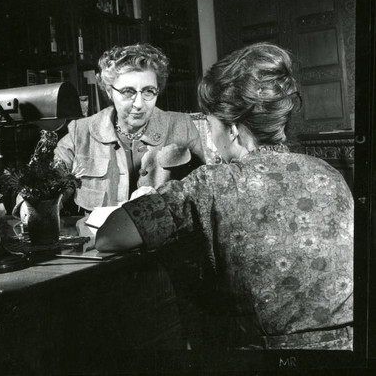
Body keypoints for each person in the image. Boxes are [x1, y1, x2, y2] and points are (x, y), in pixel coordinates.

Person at [96, 42, 354, 351]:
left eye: (210, 123)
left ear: (231, 129)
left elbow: (110, 237)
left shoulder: (213, 183)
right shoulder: (330, 174)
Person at [54, 43, 206, 213]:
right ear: (109, 91)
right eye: (128, 92)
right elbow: (47, 185)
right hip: (100, 237)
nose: (139, 104)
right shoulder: (80, 132)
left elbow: (203, 195)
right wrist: (30, 205)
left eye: (149, 91)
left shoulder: (183, 126)